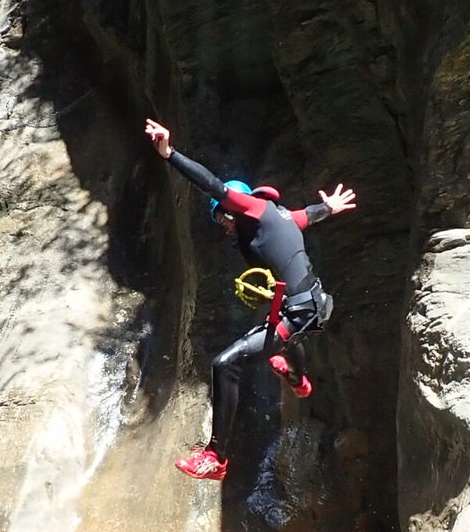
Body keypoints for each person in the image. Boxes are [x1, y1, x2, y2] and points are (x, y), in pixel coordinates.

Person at [145, 118, 357, 481]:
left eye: (221, 218)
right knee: (275, 333)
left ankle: (217, 457)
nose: (224, 226)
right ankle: (297, 378)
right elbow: (311, 215)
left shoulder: (254, 210)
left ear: (234, 208)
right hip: (307, 308)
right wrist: (331, 208)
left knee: (225, 364)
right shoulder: (282, 216)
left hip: (303, 308)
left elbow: (210, 183)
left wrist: (169, 154)